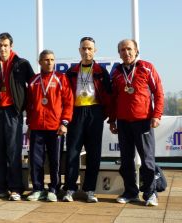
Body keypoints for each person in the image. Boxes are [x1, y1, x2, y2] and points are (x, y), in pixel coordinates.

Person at [109, 39, 164, 206]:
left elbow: (159, 92)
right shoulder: (116, 72)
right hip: (123, 122)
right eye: (123, 50)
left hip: (143, 121)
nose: (126, 53)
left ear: (136, 50)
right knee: (126, 160)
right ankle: (131, 192)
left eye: (129, 49)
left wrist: (157, 115)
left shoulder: (147, 67)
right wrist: (112, 120)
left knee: (147, 160)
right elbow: (113, 99)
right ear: (119, 53)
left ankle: (150, 193)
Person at [0, 32, 35, 201]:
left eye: (5, 45)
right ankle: (0, 188)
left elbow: (33, 87)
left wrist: (27, 110)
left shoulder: (22, 64)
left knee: (13, 152)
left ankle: (15, 189)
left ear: (11, 46)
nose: (3, 48)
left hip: (14, 112)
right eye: (0, 45)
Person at [62, 37, 111, 203]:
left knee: (94, 153)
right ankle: (70, 188)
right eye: (84, 48)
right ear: (79, 50)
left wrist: (105, 115)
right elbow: (66, 96)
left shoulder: (101, 71)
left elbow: (108, 96)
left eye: (90, 48)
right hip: (76, 112)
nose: (86, 51)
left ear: (95, 50)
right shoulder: (72, 71)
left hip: (95, 112)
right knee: (72, 153)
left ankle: (90, 189)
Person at [26, 50, 74, 202]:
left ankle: (54, 188)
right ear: (39, 62)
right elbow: (29, 104)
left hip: (56, 127)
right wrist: (29, 124)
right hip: (37, 127)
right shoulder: (33, 80)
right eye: (46, 60)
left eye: (52, 59)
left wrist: (64, 122)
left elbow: (68, 102)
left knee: (55, 160)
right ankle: (38, 188)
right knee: (36, 160)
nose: (49, 62)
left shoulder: (61, 78)